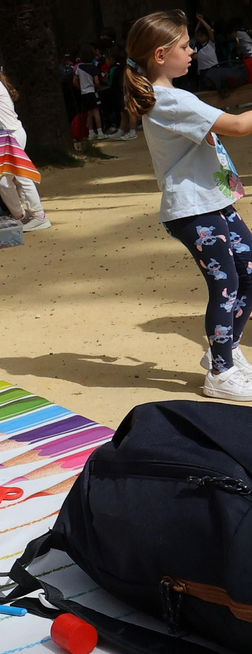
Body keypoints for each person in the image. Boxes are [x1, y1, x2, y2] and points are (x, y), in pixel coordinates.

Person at [126, 9, 252, 400]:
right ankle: (219, 372)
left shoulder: (174, 96)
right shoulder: (167, 100)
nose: (193, 51)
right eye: (185, 46)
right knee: (225, 283)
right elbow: (238, 126)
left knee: (247, 273)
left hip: (214, 201)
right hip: (193, 209)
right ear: (161, 55)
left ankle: (226, 348)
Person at [0, 53, 52, 232]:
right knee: (4, 182)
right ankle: (21, 216)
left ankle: (38, 215)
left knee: (19, 178)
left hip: (12, 136)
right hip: (7, 136)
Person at [76, 45, 102, 139]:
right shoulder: (93, 68)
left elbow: (74, 81)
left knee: (89, 114)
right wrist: (97, 88)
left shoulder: (79, 68)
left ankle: (91, 133)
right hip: (92, 91)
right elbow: (97, 82)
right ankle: (100, 132)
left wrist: (81, 87)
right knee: (96, 112)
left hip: (84, 93)